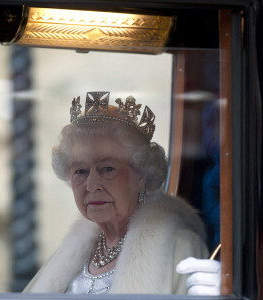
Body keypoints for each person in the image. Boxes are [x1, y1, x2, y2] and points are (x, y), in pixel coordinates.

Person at [24, 92, 220, 295]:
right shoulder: (70, 253)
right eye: (80, 171)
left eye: (107, 169)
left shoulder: (179, 247)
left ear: (142, 174)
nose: (92, 185)